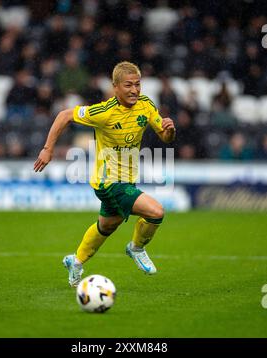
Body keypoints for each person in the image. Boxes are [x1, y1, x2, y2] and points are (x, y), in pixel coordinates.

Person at [34, 61, 176, 287]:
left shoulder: (146, 105)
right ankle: (136, 248)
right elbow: (64, 116)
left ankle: (76, 261)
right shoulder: (104, 112)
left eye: (138, 84)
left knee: (108, 225)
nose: (134, 90)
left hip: (127, 179)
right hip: (108, 181)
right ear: (116, 87)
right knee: (156, 212)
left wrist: (169, 130)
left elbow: (165, 137)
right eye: (128, 85)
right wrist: (48, 149)